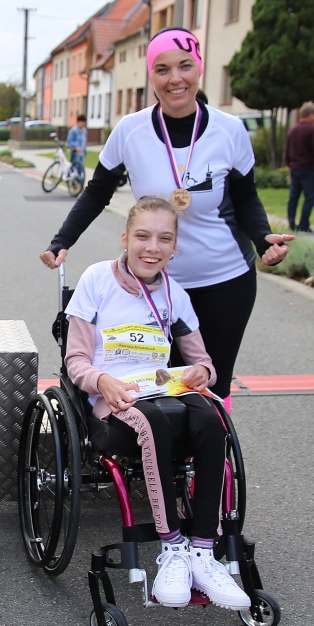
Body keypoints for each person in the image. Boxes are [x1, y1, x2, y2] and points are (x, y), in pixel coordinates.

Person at [40, 27, 292, 411]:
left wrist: (263, 239)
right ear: (151, 76)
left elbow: (245, 197)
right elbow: (97, 191)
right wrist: (62, 241)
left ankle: (213, 448)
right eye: (162, 69)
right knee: (156, 384)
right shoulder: (131, 130)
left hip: (225, 279)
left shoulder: (230, 130)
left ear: (199, 68)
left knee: (211, 381)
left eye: (184, 66)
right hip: (154, 284)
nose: (175, 78)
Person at [64, 195, 251, 610]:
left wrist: (203, 373)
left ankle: (203, 551)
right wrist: (102, 380)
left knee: (213, 418)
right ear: (125, 238)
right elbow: (75, 361)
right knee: (152, 423)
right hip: (112, 394)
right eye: (143, 236)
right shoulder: (97, 280)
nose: (152, 247)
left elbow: (203, 362)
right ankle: (172, 547)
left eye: (164, 239)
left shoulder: (174, 294)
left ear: (175, 246)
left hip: (163, 388)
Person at [286, 102, 314, 234]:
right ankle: (304, 224)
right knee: (309, 197)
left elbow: (287, 150)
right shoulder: (312, 130)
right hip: (307, 168)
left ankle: (291, 223)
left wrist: (289, 166)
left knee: (293, 197)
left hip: (294, 168)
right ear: (310, 114)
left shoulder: (293, 130)